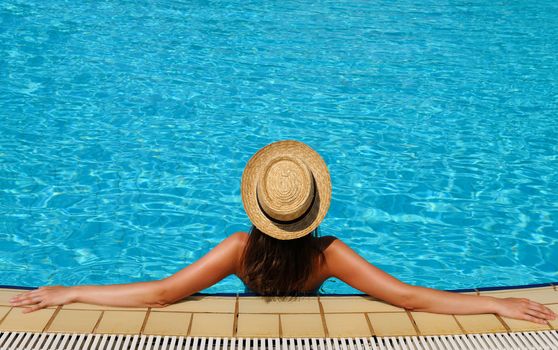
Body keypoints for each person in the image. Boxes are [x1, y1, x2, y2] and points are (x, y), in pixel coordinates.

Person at [10, 140, 556, 325]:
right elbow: (410, 298)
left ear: (258, 209)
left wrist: (74, 291)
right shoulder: (328, 255)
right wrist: (495, 306)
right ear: (313, 211)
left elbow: (161, 294)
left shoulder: (239, 250)